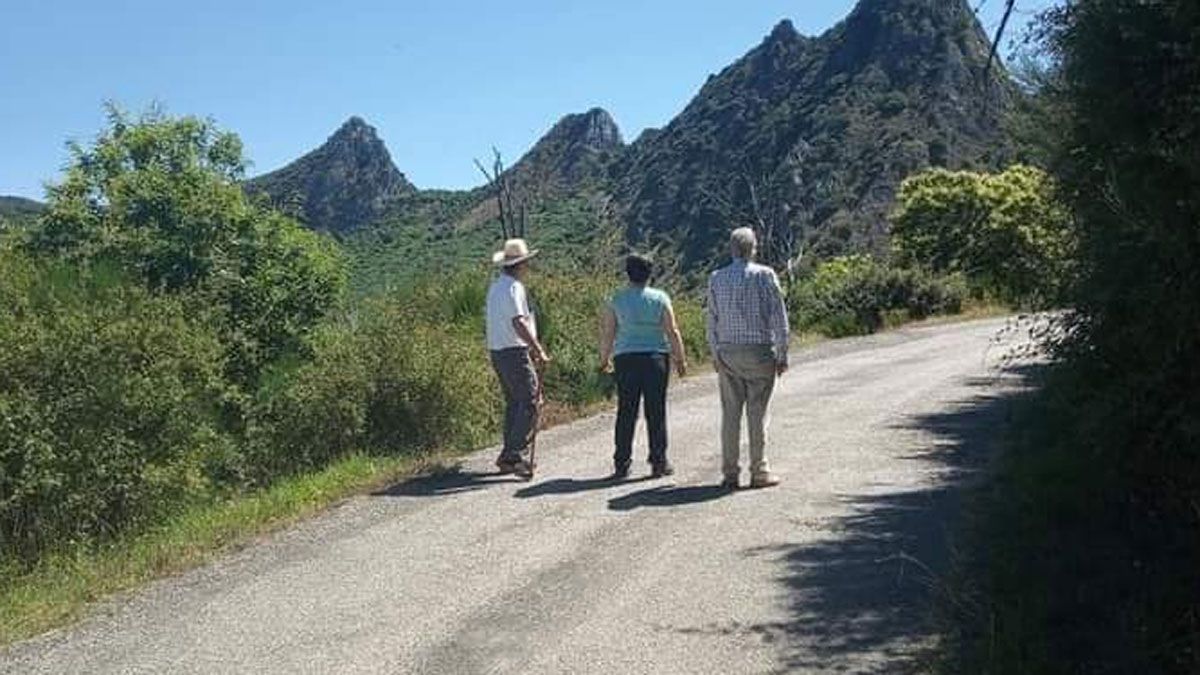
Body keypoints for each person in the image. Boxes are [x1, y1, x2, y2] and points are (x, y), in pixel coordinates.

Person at [706, 228, 790, 490]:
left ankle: (730, 473)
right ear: (754, 248)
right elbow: (779, 317)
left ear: (731, 249)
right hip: (759, 351)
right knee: (758, 413)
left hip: (729, 351)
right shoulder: (765, 275)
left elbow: (712, 318)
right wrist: (782, 352)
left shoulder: (716, 278)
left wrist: (715, 352)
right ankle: (759, 471)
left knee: (730, 415)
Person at [599, 254, 689, 479]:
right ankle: (658, 461)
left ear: (628, 273)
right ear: (650, 274)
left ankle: (622, 463)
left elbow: (609, 333)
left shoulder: (616, 299)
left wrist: (603, 359)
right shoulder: (660, 298)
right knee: (655, 411)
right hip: (655, 357)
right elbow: (672, 330)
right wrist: (680, 359)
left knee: (626, 411)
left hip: (626, 358)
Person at [486, 239, 551, 478]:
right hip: (514, 351)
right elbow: (518, 321)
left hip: (498, 351)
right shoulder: (514, 288)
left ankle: (510, 454)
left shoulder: (496, 287)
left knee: (515, 402)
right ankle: (514, 454)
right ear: (521, 264)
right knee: (532, 401)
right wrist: (537, 349)